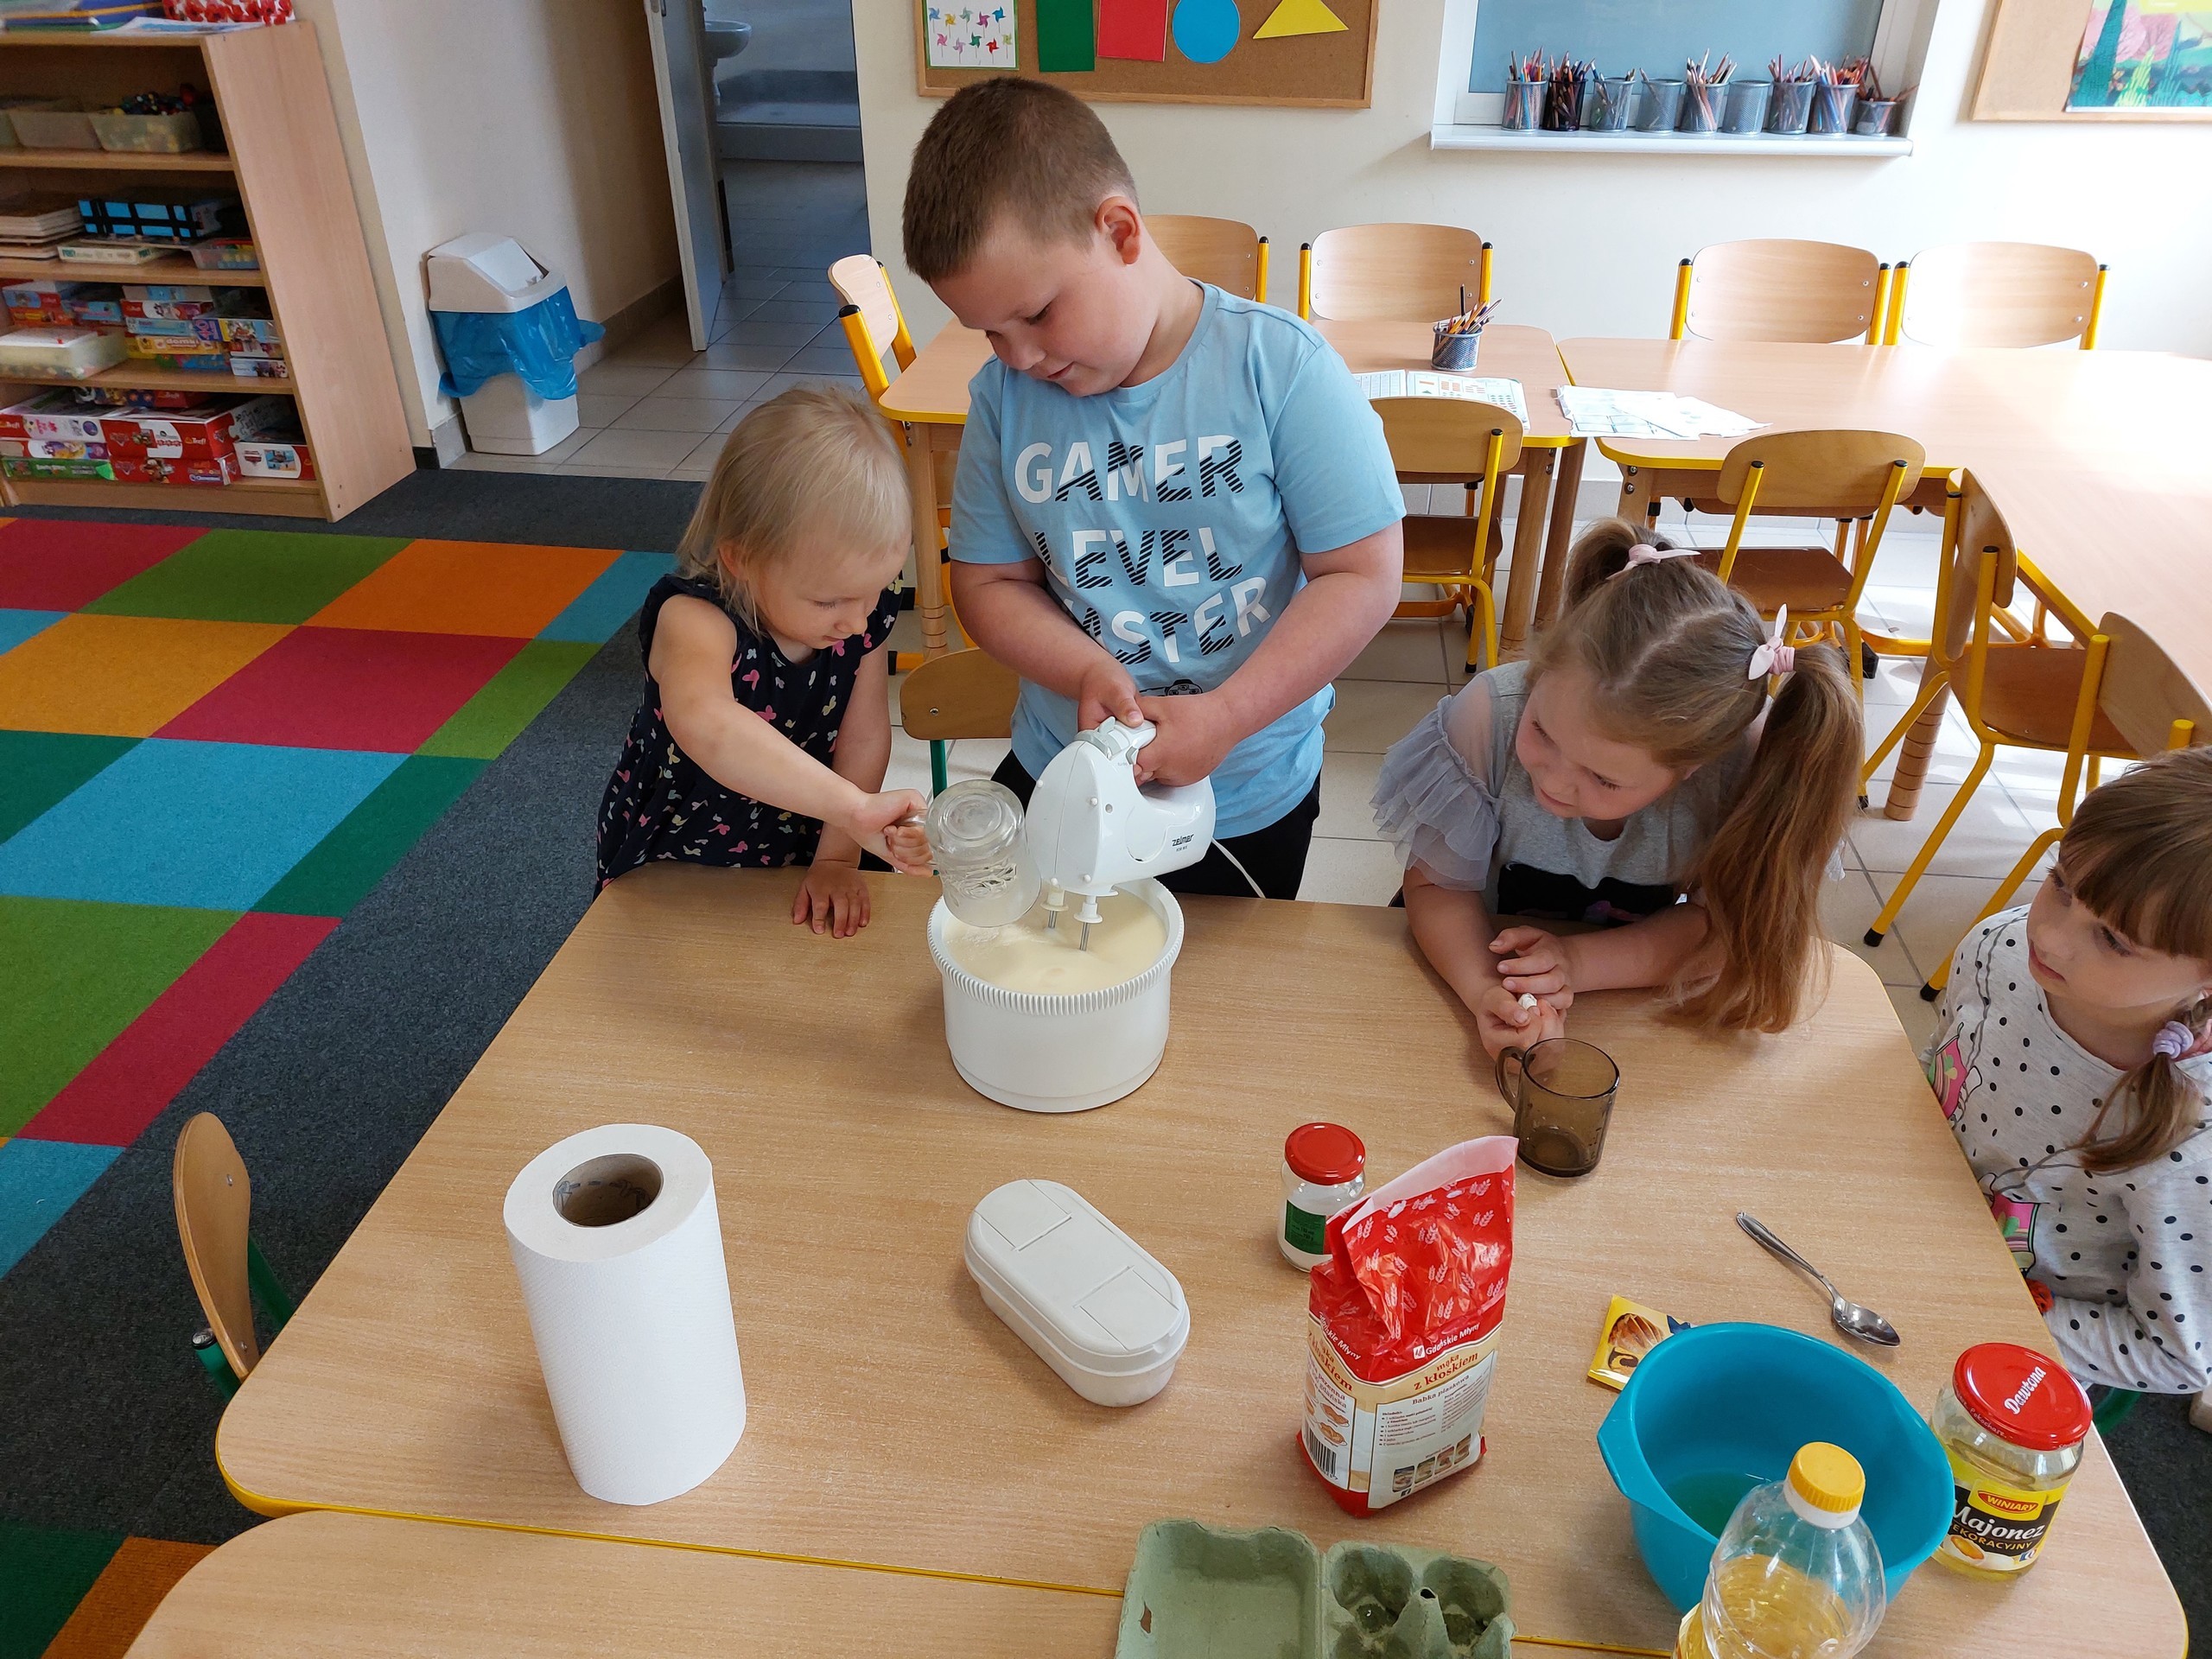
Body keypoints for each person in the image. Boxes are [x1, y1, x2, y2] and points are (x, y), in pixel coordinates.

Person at [901, 78, 1404, 899]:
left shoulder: (1282, 368)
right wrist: (1084, 669)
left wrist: (1228, 715)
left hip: (1246, 792)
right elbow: (987, 585)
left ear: (1120, 232)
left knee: (1220, 978)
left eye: (1038, 314)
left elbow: (1363, 574)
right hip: (1066, 770)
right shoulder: (1004, 400)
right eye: (990, 331)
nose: (1020, 356)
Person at [1371, 519, 1860, 1058]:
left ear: (1693, 767)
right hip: (1470, 947)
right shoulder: (1489, 716)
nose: (1554, 782)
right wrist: (1488, 990)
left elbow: (1728, 928)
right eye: (1542, 731)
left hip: (1636, 993)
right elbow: (1438, 888)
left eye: (1604, 779)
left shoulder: (1745, 765)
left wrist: (1578, 964)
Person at [1926, 747, 2212, 1394]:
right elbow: (1935, 1075)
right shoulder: (2002, 947)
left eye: (2113, 940)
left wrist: (1978, 1313)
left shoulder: (2194, 1149)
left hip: (2007, 1348)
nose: (2050, 936)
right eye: (2060, 885)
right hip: (1908, 1213)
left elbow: (2176, 1354)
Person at [595, 385, 930, 936]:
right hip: (683, 846)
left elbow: (865, 737)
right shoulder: (693, 619)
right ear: (743, 559)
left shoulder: (860, 612)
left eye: (874, 591)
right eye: (829, 602)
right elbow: (712, 728)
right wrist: (851, 808)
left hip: (811, 831)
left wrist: (838, 854)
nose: (856, 622)